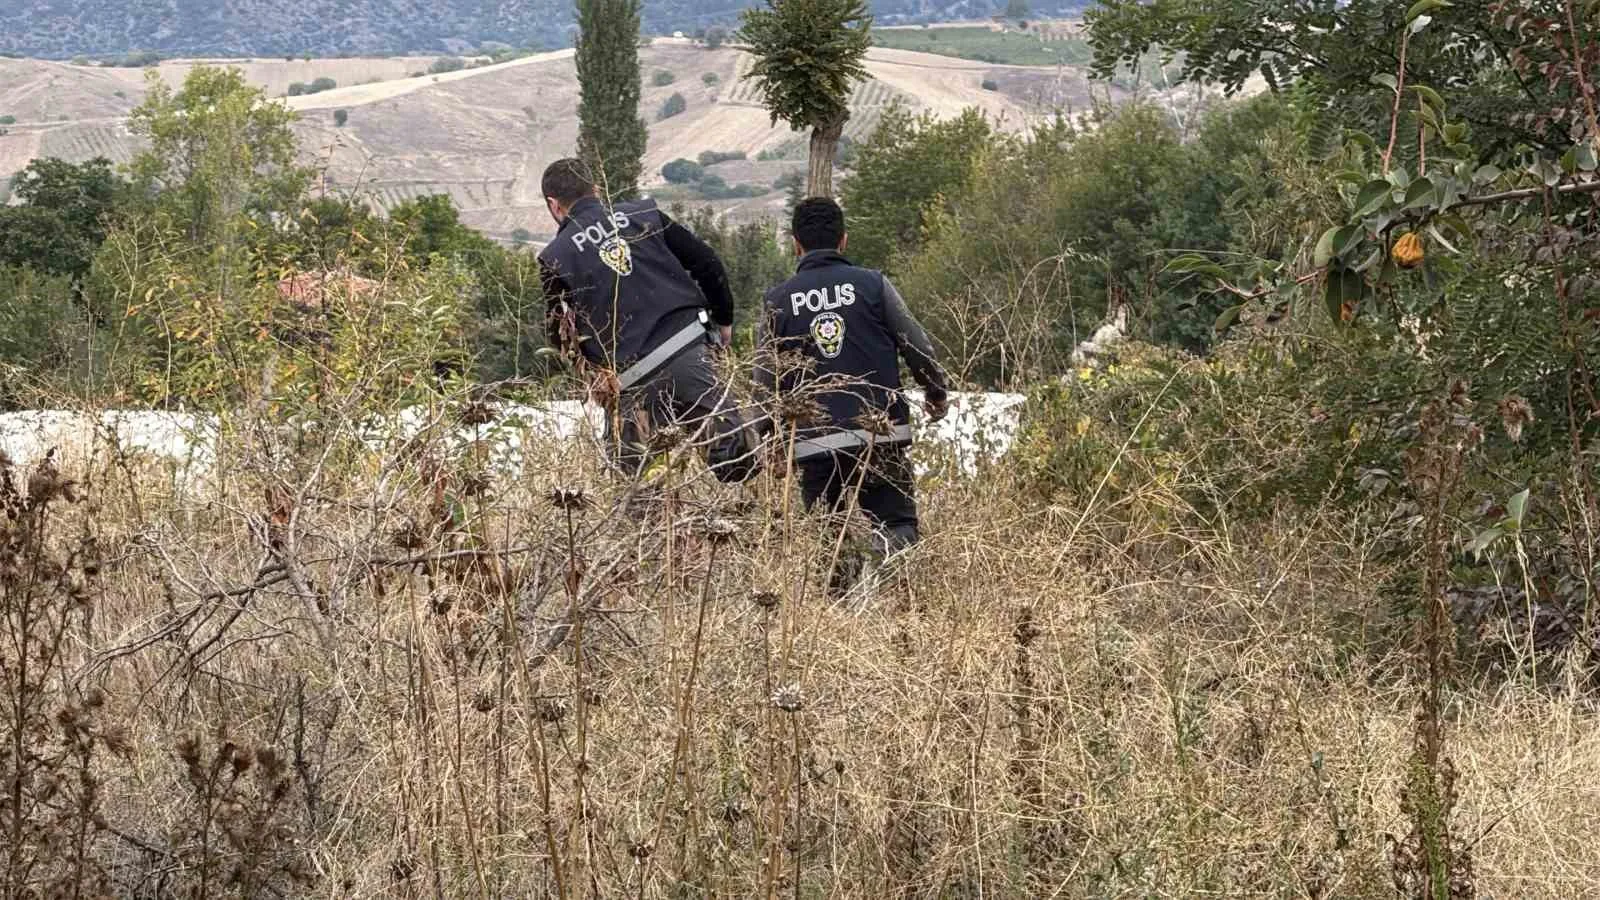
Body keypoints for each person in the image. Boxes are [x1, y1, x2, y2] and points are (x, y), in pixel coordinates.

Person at [755, 197, 950, 592]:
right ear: (843, 240)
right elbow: (915, 344)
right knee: (895, 522)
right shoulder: (873, 284)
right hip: (879, 433)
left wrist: (769, 436)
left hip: (813, 441)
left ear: (795, 244)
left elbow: (764, 379)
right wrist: (935, 390)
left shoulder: (777, 301)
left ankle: (840, 610)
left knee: (829, 531)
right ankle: (898, 605)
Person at [536, 158, 757, 485]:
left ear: (554, 205)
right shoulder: (643, 214)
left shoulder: (555, 257)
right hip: (690, 355)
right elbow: (706, 262)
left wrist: (594, 375)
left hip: (633, 385)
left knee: (638, 493)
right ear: (595, 190)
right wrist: (724, 320)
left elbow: (561, 335)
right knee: (738, 466)